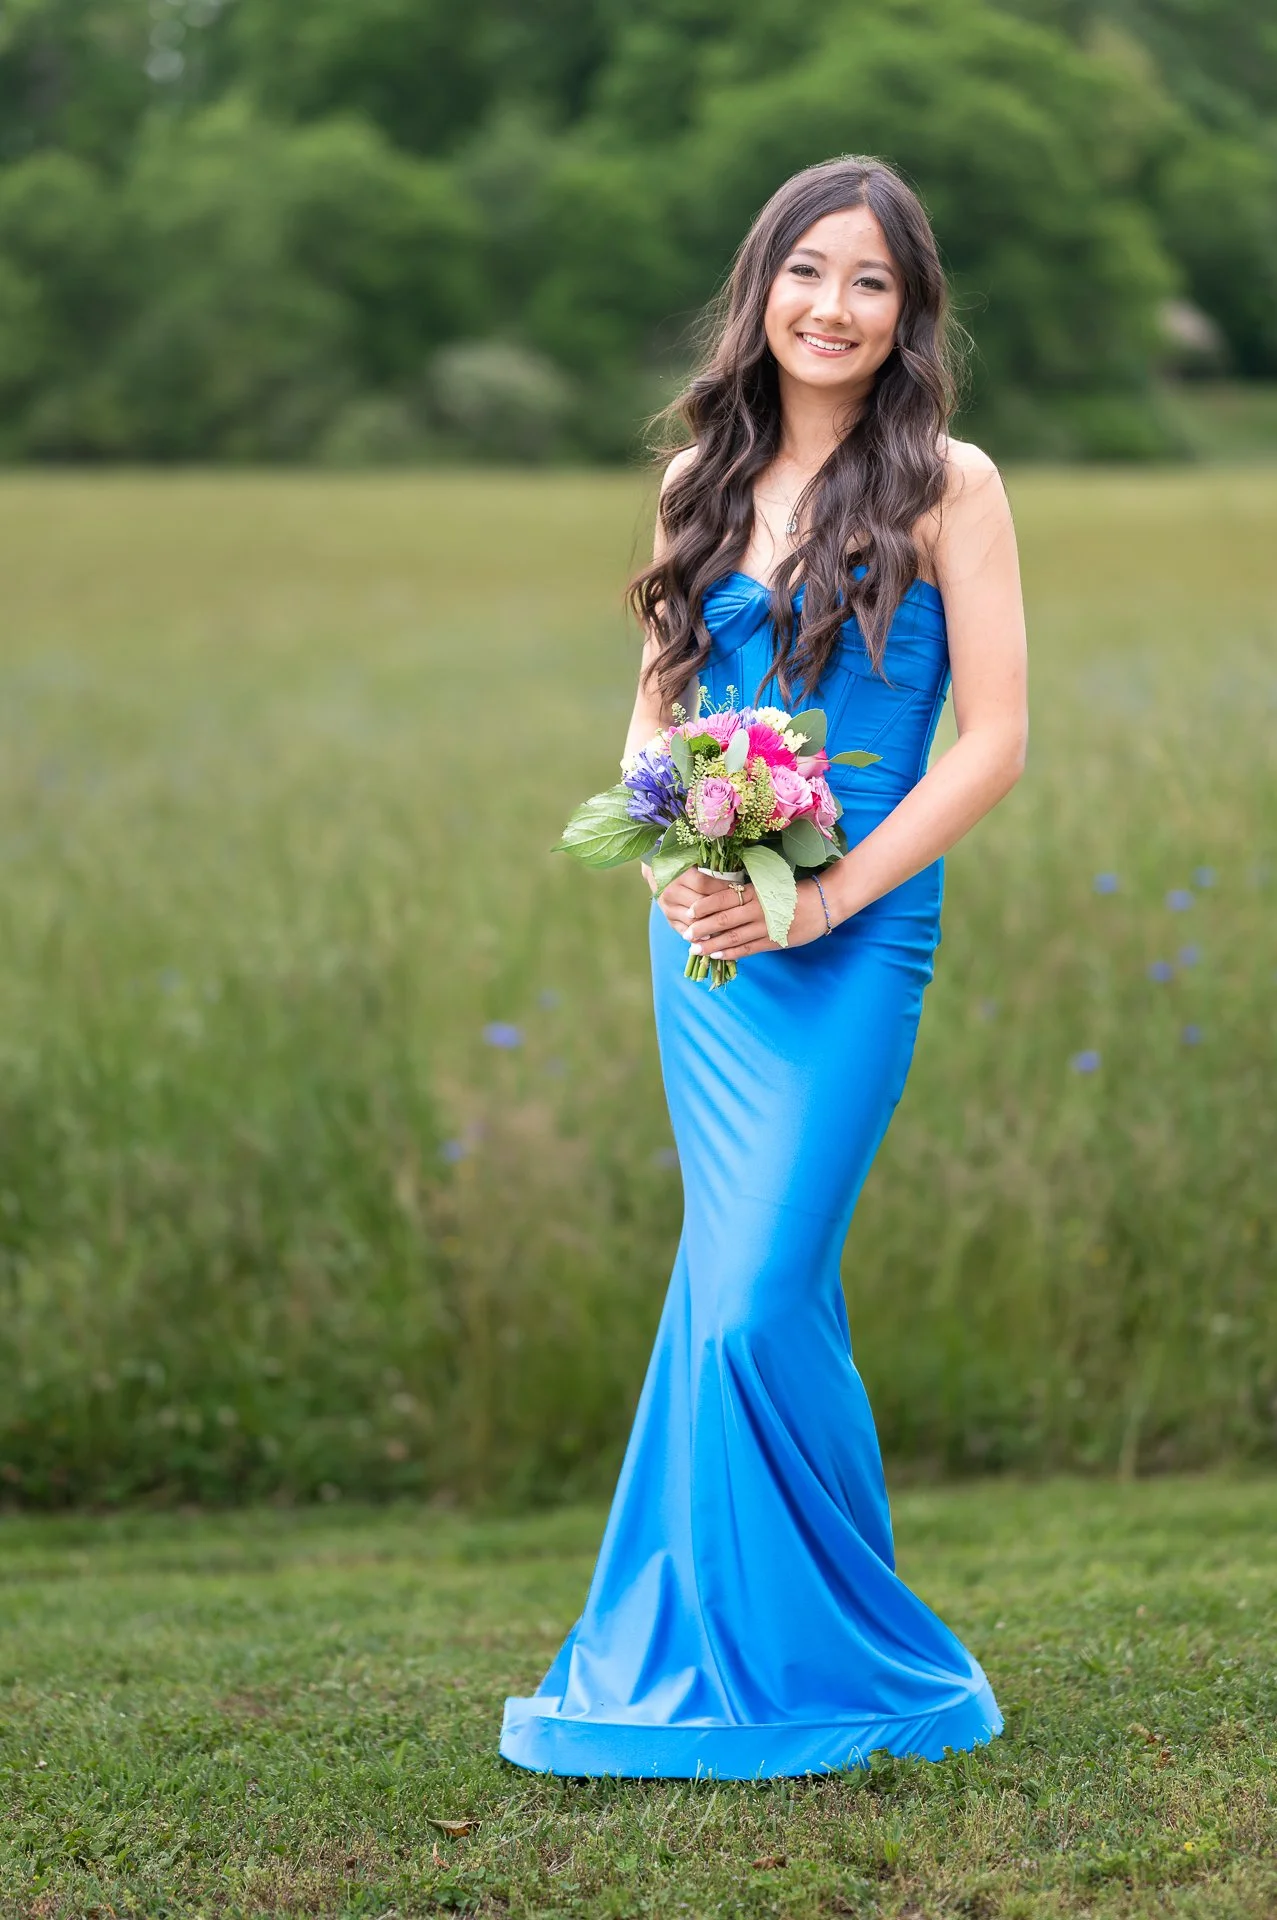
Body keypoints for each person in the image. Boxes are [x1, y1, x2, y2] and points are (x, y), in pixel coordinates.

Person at [500, 153, 1028, 1779]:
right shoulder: (699, 483)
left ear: (907, 310)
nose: (833, 307)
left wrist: (824, 899)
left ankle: (848, 1642)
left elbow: (995, 741)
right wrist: (686, 882)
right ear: (763, 287)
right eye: (809, 271)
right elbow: (650, 731)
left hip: (858, 939)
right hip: (715, 953)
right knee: (757, 1290)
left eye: (871, 281)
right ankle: (772, 1644)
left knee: (747, 1302)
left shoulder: (951, 482)